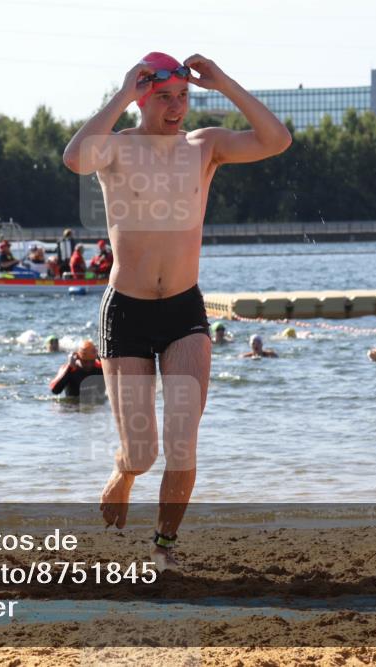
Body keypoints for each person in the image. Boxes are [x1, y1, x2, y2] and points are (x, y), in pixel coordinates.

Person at [62, 51, 291, 569]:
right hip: (126, 311)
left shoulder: (204, 146)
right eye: (164, 97)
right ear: (143, 99)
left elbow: (277, 140)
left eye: (183, 96)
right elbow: (75, 159)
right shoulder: (117, 149)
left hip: (185, 310)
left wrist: (224, 82)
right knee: (141, 452)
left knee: (183, 442)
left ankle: (164, 549)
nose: (176, 107)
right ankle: (124, 474)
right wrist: (120, 93)